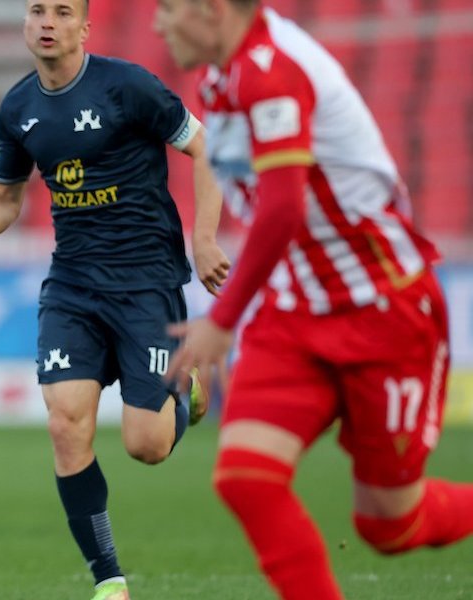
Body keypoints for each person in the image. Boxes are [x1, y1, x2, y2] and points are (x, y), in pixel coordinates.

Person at [154, 1, 473, 598]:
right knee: (246, 478)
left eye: (169, 8)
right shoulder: (220, 78)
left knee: (390, 524)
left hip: (383, 308)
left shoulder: (273, 71)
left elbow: (283, 208)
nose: (158, 23)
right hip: (296, 309)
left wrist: (222, 320)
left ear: (212, 11)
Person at [0, 1, 230, 599]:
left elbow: (204, 148)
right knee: (65, 424)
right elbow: (5, 199)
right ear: (25, 24)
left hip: (146, 281)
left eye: (63, 11)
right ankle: (109, 580)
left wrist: (204, 241)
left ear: (84, 27)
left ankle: (184, 391)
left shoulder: (128, 87)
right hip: (72, 285)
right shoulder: (18, 109)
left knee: (146, 446)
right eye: (37, 10)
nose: (48, 21)